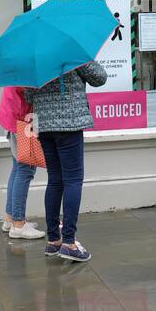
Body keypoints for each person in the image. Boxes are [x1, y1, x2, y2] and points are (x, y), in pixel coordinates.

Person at [23, 60, 107, 262]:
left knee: (55, 180)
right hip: (69, 124)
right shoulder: (72, 53)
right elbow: (100, 78)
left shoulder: (34, 59)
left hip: (45, 125)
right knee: (73, 180)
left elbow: (28, 95)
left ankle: (54, 241)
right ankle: (69, 242)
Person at [0, 86, 45, 239]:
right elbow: (30, 93)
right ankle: (18, 224)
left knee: (18, 168)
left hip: (13, 118)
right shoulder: (26, 66)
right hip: (20, 121)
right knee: (25, 169)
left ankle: (10, 219)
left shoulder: (16, 63)